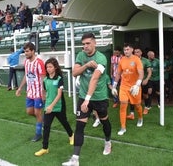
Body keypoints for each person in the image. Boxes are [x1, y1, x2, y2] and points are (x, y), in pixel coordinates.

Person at [62, 33, 112, 166]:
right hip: (84, 96)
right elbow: (74, 73)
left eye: (88, 43)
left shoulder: (101, 58)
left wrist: (88, 99)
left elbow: (95, 79)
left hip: (99, 97)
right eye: (83, 44)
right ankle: (75, 159)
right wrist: (87, 65)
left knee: (104, 122)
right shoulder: (80, 55)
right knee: (79, 126)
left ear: (94, 43)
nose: (85, 46)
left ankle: (108, 142)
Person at [34, 57, 74, 156]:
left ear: (55, 67)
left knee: (64, 122)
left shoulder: (60, 79)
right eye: (47, 67)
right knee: (46, 126)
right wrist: (45, 102)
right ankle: (45, 148)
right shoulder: (45, 80)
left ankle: (71, 135)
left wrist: (51, 106)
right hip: (48, 107)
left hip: (59, 106)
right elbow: (45, 92)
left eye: (50, 67)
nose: (48, 69)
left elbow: (59, 95)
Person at [16, 42, 46, 142]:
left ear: (33, 51)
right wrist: (20, 88)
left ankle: (38, 134)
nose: (26, 53)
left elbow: (43, 78)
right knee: (29, 112)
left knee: (37, 113)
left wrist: (43, 93)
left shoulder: (39, 62)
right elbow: (26, 75)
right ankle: (41, 120)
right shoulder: (26, 62)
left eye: (27, 51)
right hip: (30, 92)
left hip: (38, 93)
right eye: (25, 51)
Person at [111, 43, 144, 136]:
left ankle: (140, 118)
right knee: (123, 105)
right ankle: (123, 127)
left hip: (135, 87)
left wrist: (137, 84)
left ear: (132, 50)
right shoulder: (122, 60)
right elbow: (118, 73)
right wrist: (114, 85)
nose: (126, 51)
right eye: (125, 50)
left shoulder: (137, 59)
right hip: (124, 86)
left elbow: (141, 73)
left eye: (128, 49)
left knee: (137, 105)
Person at [126, 47, 152, 118]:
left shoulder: (145, 61)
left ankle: (146, 107)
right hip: (133, 82)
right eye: (135, 52)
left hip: (143, 81)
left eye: (138, 52)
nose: (136, 53)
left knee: (145, 95)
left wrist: (146, 79)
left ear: (141, 53)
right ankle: (132, 114)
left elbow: (149, 72)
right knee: (132, 96)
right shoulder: (130, 60)